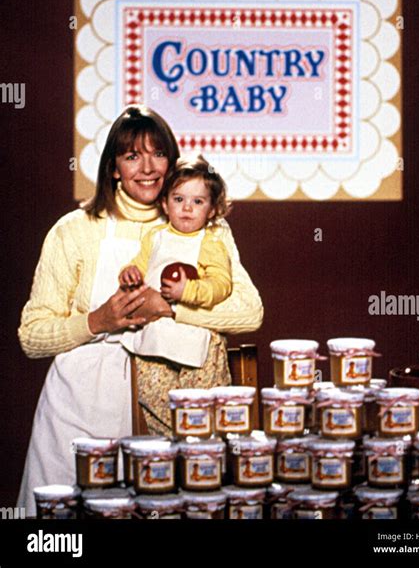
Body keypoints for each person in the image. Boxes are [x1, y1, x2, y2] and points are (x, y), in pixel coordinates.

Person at [17, 105, 263, 516]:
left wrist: (167, 307)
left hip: (165, 406)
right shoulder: (74, 230)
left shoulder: (203, 223)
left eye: (158, 154)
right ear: (113, 168)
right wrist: (100, 321)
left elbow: (248, 312)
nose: (148, 168)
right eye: (132, 156)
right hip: (80, 410)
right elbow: (32, 335)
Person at [119, 154, 232, 309]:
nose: (187, 207)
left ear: (211, 210)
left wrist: (189, 291)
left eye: (197, 201)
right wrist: (130, 273)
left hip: (184, 324)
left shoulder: (210, 243)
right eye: (179, 199)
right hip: (148, 322)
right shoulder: (155, 236)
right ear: (165, 204)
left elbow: (221, 285)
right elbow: (140, 266)